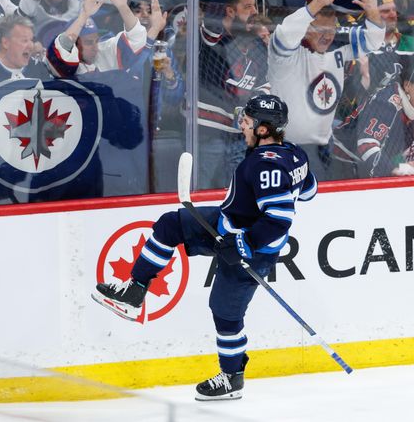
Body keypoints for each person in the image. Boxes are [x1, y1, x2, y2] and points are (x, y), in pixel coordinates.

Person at [92, 94, 317, 401]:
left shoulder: (266, 167)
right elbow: (309, 191)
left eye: (248, 122)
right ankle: (135, 289)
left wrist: (244, 245)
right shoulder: (294, 154)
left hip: (254, 250)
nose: (242, 125)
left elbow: (278, 221)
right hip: (229, 226)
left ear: (264, 130)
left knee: (225, 314)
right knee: (170, 225)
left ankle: (232, 377)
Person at [267, 0, 385, 180]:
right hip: (284, 148)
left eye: (331, 29)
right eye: (320, 29)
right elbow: (286, 33)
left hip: (324, 149)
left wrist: (373, 12)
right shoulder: (284, 56)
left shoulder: (337, 52)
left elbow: (373, 42)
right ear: (305, 28)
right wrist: (318, 3)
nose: (328, 35)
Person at [198, 0, 269, 188]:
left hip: (240, 136)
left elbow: (262, 87)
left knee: (235, 196)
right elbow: (211, 24)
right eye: (248, 7)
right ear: (230, 11)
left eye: (255, 7)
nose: (254, 12)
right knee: (204, 196)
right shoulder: (214, 40)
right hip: (208, 136)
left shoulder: (258, 44)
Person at [333, 53, 414, 178]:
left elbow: (412, 152)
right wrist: (395, 168)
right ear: (407, 86)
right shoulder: (386, 103)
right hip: (342, 157)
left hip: (366, 164)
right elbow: (366, 145)